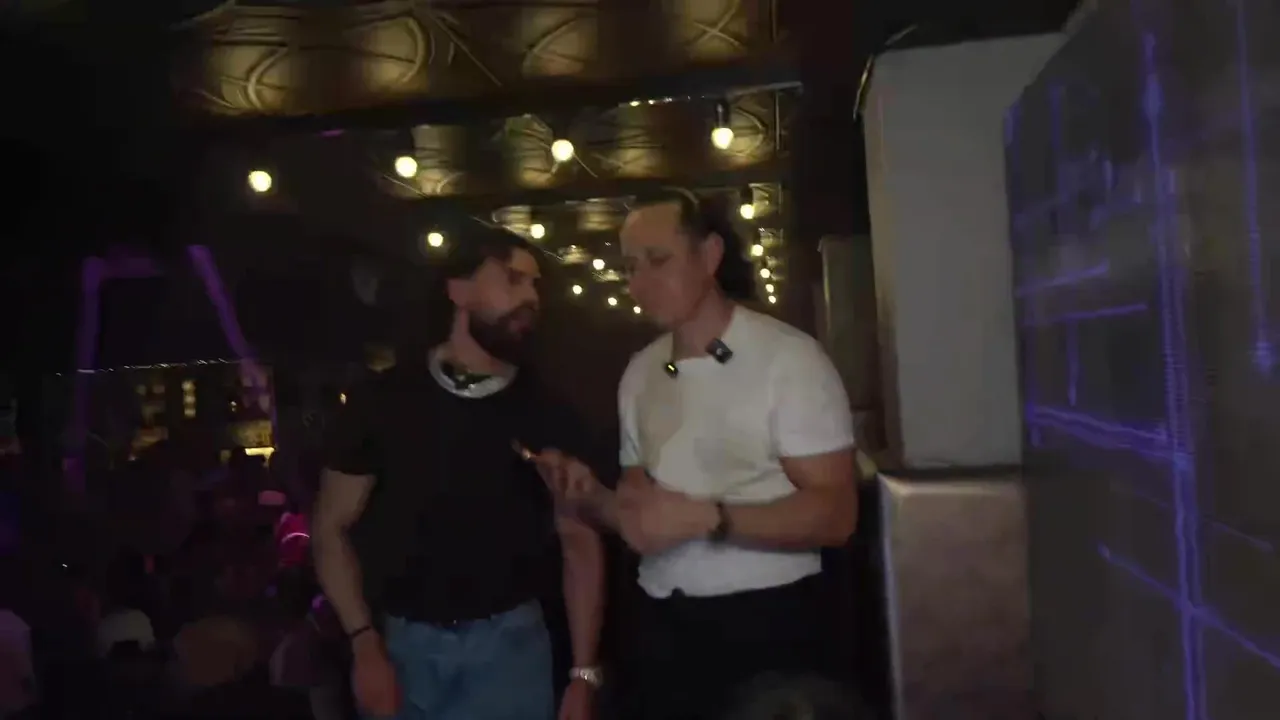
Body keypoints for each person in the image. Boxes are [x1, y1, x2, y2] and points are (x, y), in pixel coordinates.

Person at [540, 189, 859, 720]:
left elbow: (837, 514)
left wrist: (711, 518)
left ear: (709, 256)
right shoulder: (642, 371)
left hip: (767, 626)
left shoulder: (789, 359)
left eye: (658, 260)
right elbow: (641, 517)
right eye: (631, 267)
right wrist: (590, 496)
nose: (639, 283)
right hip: (660, 628)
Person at [312, 223, 605, 720]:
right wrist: (363, 642)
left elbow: (580, 543)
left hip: (512, 646)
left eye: (536, 285)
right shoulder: (383, 402)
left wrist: (583, 674)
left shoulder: (548, 412)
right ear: (458, 289)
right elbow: (329, 527)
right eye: (513, 279)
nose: (532, 297)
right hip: (403, 646)